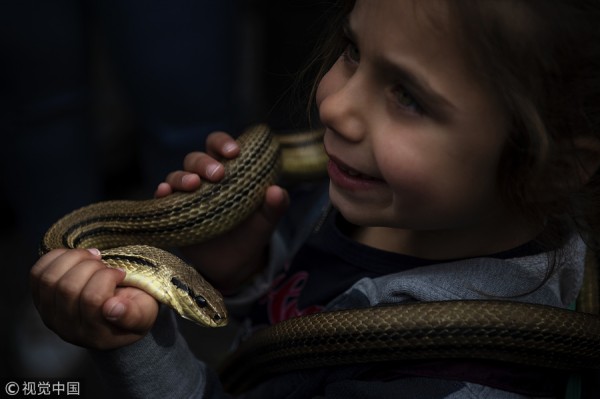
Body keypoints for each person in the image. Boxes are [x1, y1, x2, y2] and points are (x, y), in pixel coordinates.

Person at [30, 0, 600, 398]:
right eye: (352, 49)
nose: (332, 107)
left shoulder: (456, 381)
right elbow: (315, 299)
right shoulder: (380, 198)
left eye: (409, 97)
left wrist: (131, 345)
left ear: (556, 167)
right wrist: (253, 273)